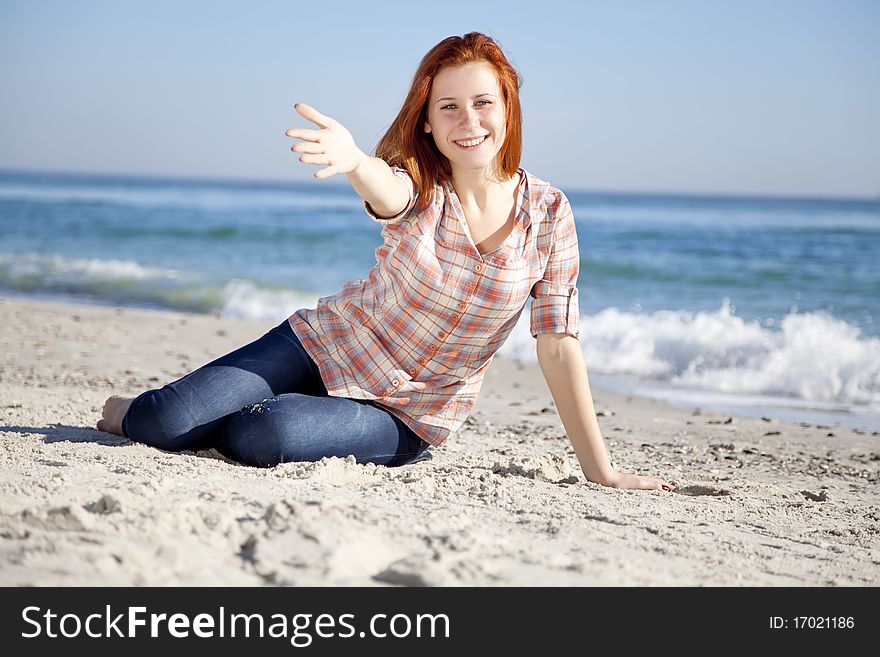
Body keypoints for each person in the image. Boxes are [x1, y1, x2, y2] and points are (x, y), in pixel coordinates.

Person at [97, 32, 674, 491]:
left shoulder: (548, 212)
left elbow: (557, 343)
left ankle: (256, 417)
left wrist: (601, 469)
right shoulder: (423, 187)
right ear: (427, 120)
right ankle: (146, 410)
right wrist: (353, 161)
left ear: (507, 109)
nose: (468, 122)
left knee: (262, 433)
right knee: (163, 423)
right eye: (448, 107)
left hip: (406, 412)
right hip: (326, 344)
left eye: (482, 103)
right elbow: (389, 192)